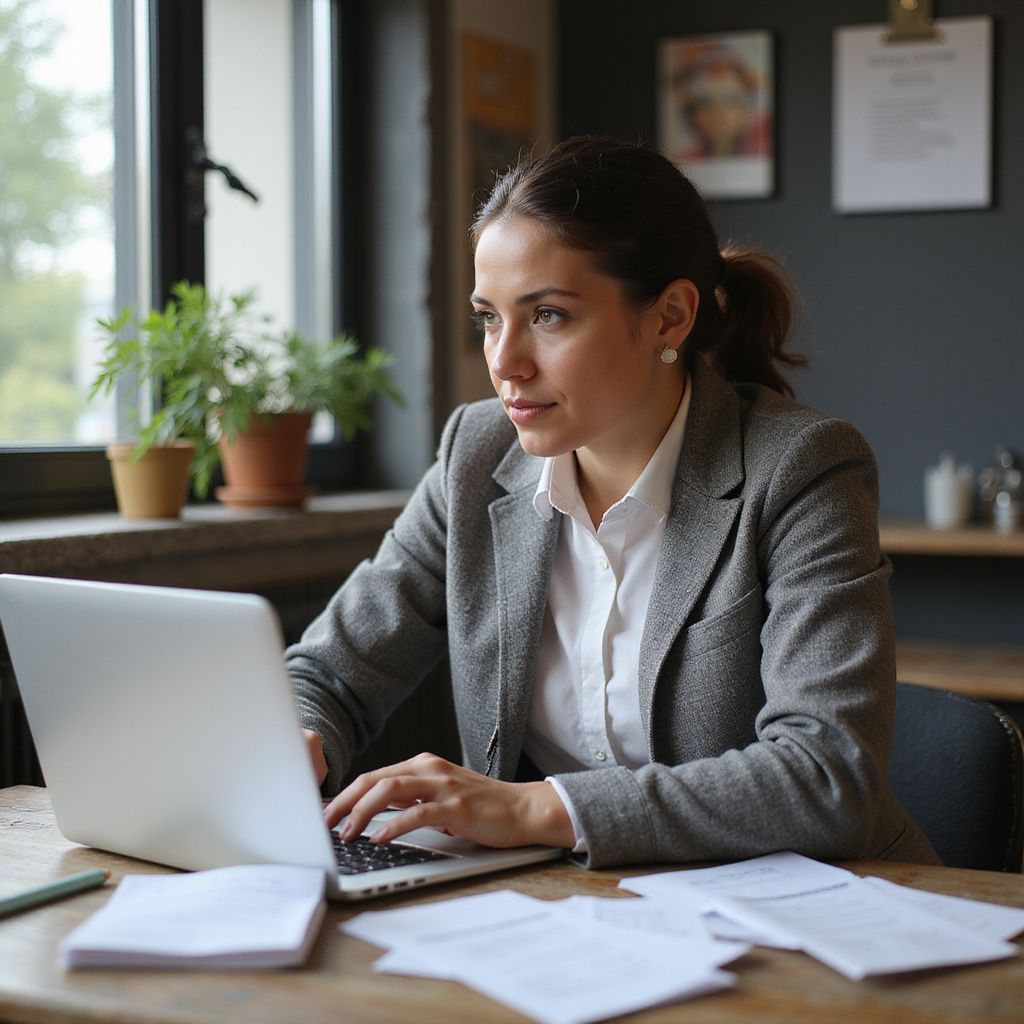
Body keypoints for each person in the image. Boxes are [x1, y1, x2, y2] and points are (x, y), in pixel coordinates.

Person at [288, 136, 937, 869]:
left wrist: (537, 808)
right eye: (490, 317)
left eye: (549, 316)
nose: (503, 363)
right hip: (576, 913)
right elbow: (330, 672)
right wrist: (293, 736)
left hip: (811, 916)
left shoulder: (800, 470)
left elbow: (826, 778)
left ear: (669, 318)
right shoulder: (475, 454)